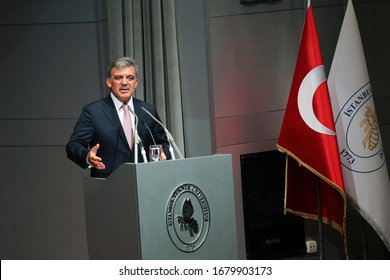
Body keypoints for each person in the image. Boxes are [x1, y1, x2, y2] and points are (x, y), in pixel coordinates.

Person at [66, 57, 170, 178]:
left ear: (136, 83)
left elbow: (164, 143)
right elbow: (73, 145)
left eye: (130, 78)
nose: (124, 83)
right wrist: (87, 156)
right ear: (109, 82)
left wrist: (164, 154)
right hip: (109, 186)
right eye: (119, 77)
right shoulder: (93, 112)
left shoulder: (147, 110)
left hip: (146, 183)